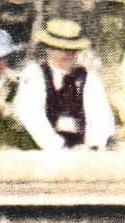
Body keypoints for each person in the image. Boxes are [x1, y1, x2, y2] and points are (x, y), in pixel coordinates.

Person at [12, 18, 114, 150]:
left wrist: (92, 145)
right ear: (48, 48)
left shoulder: (89, 78)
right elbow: (31, 115)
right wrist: (61, 147)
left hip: (82, 152)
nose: (67, 54)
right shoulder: (34, 74)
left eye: (72, 50)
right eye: (61, 49)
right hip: (42, 151)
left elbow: (100, 116)